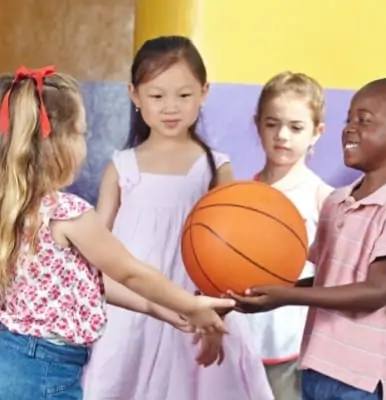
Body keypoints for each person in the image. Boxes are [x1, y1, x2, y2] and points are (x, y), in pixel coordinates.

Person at [0, 65, 234, 400]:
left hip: (2, 360)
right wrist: (191, 304)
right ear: (55, 143)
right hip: (46, 373)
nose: (84, 146)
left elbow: (88, 282)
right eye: (80, 134)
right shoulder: (69, 214)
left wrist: (160, 309)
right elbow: (130, 272)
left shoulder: (3, 206)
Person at [81, 36, 273, 400]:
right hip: (131, 311)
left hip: (197, 309)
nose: (171, 107)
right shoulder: (121, 168)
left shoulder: (215, 166)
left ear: (204, 92)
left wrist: (218, 318)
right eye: (157, 96)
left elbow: (231, 254)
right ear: (134, 95)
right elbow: (96, 250)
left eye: (184, 95)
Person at [231, 78, 386, 400]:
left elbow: (376, 291)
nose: (350, 129)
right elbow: (327, 280)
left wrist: (286, 297)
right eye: (349, 119)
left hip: (365, 380)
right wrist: (270, 295)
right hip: (318, 366)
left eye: (364, 121)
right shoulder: (337, 202)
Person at [247, 71, 333, 399]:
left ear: (316, 133)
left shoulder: (322, 198)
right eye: (272, 123)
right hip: (241, 340)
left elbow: (333, 277)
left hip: (293, 345)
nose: (282, 135)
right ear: (258, 124)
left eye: (296, 127)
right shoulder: (239, 196)